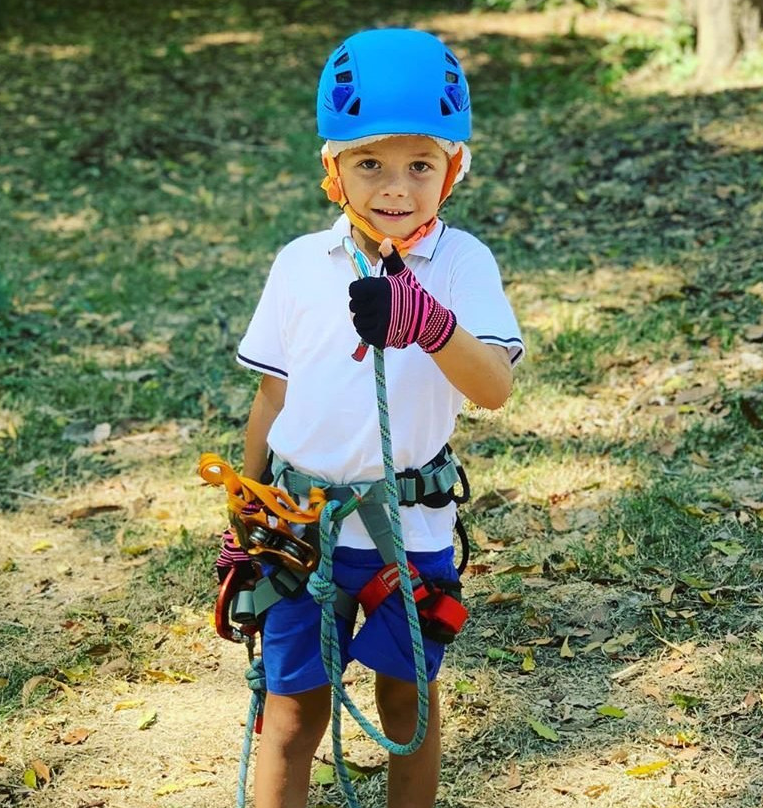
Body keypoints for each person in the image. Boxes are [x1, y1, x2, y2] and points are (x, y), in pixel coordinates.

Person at [232, 28, 524, 808]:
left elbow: (493, 387)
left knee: (409, 707)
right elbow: (273, 398)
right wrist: (243, 509)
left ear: (452, 171)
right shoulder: (301, 264)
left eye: (420, 165)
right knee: (292, 715)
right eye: (370, 164)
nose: (395, 187)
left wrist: (428, 323)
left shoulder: (461, 264)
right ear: (333, 172)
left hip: (411, 534)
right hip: (300, 527)